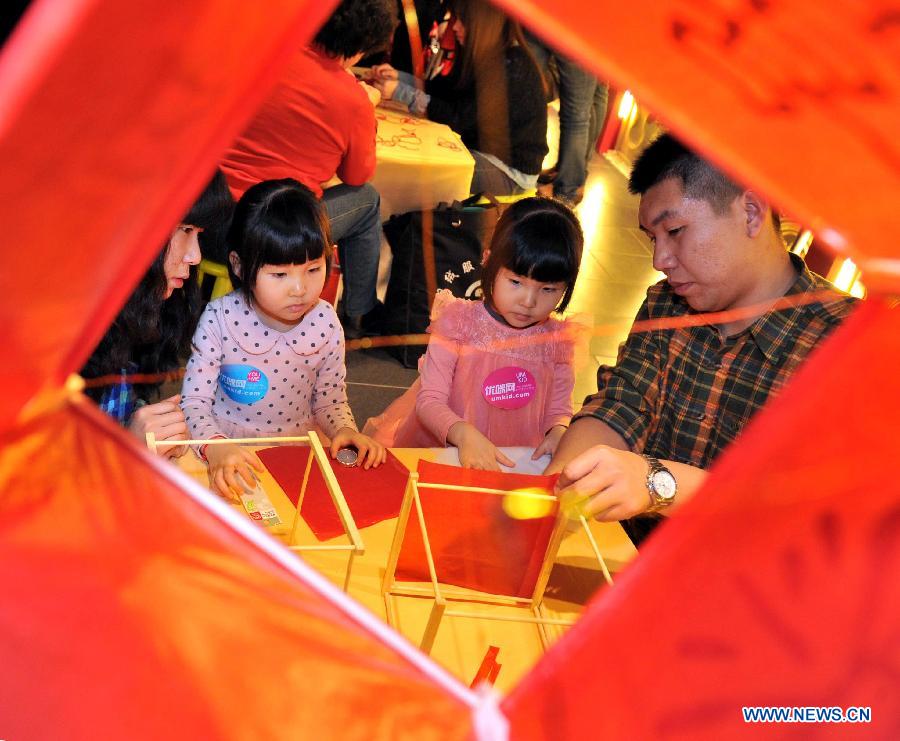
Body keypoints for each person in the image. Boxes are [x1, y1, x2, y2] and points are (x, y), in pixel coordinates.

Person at [545, 134, 858, 545]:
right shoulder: (666, 305)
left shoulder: (850, 343)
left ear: (750, 212)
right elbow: (623, 404)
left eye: (675, 230)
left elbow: (822, 509)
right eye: (652, 238)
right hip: (633, 558)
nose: (660, 260)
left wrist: (660, 482)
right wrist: (559, 486)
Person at [181, 179, 386, 499]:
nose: (299, 289)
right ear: (238, 264)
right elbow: (194, 402)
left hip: (296, 451)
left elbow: (330, 399)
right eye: (280, 275)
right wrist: (215, 447)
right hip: (225, 450)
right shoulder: (219, 319)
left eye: (314, 269)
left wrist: (344, 429)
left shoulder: (326, 322)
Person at [364, 197, 585, 470]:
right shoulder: (457, 323)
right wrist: (462, 433)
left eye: (548, 289)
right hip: (445, 445)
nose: (528, 301)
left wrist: (558, 431)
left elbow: (559, 409)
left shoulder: (558, 343)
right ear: (488, 261)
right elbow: (430, 400)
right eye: (516, 282)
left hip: (515, 455)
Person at [219, 0, 397, 338]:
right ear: (361, 45)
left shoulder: (264, 53)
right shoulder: (352, 99)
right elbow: (357, 175)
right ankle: (361, 312)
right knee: (367, 199)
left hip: (212, 213)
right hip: (270, 232)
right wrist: (367, 108)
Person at [81, 170, 233, 457]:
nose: (196, 256)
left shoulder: (146, 308)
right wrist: (126, 446)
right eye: (185, 230)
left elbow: (116, 403)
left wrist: (151, 426)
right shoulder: (57, 334)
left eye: (198, 235)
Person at [372, 0, 547, 196]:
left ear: (482, 24)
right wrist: (401, 78)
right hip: (484, 154)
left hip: (510, 172)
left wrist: (401, 92)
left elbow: (456, 119)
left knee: (420, 172)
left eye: (461, 21)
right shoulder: (487, 54)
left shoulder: (511, 65)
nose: (454, 27)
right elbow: (446, 92)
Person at [525, 30, 608, 206]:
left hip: (557, 16)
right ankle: (570, 180)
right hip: (583, 25)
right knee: (578, 114)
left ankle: (567, 182)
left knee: (532, 94)